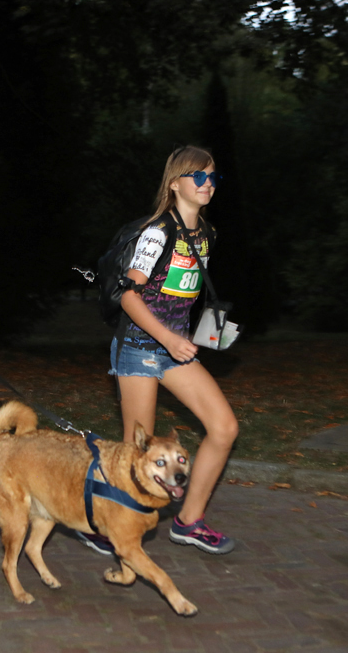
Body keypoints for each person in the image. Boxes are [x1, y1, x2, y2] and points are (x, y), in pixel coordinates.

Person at [79, 145, 238, 556]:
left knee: (224, 428)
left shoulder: (206, 234)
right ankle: (103, 526)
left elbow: (181, 292)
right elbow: (129, 295)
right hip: (139, 347)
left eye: (212, 177)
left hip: (175, 349)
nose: (207, 183)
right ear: (175, 184)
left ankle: (189, 521)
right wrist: (168, 338)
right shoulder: (158, 232)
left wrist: (196, 333)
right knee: (138, 451)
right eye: (198, 176)